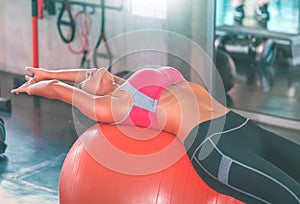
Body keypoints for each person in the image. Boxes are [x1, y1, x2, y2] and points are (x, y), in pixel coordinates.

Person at [11, 66, 300, 203]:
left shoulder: (126, 85)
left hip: (240, 127)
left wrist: (51, 71)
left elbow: (83, 75)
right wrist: (43, 84)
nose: (89, 73)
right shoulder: (114, 106)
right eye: (87, 79)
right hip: (218, 148)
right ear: (90, 96)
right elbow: (58, 91)